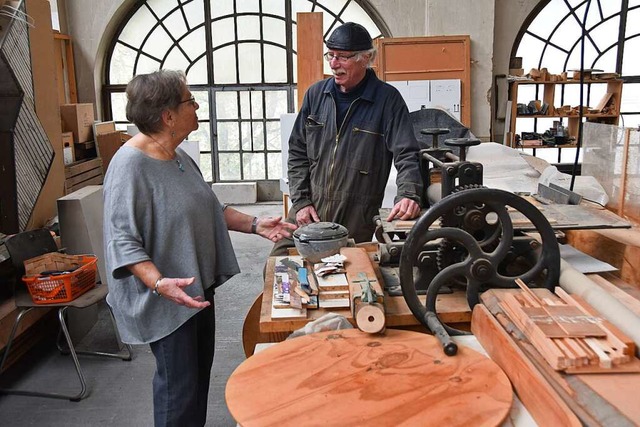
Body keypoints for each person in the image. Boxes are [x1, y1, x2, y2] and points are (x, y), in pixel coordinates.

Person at [103, 69, 296, 427]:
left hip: (193, 290)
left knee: (195, 383)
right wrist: (161, 283)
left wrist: (256, 224)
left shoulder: (177, 156)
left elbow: (209, 206)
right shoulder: (129, 166)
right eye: (190, 100)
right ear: (168, 116)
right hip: (166, 297)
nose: (197, 107)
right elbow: (122, 240)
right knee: (178, 391)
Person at [272, 22, 423, 255]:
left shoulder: (387, 101)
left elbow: (406, 154)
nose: (333, 64)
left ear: (365, 58)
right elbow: (298, 151)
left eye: (342, 57)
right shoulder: (316, 94)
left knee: (344, 273)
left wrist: (408, 195)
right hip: (311, 206)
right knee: (280, 260)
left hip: (355, 213)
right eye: (330, 55)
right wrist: (301, 201)